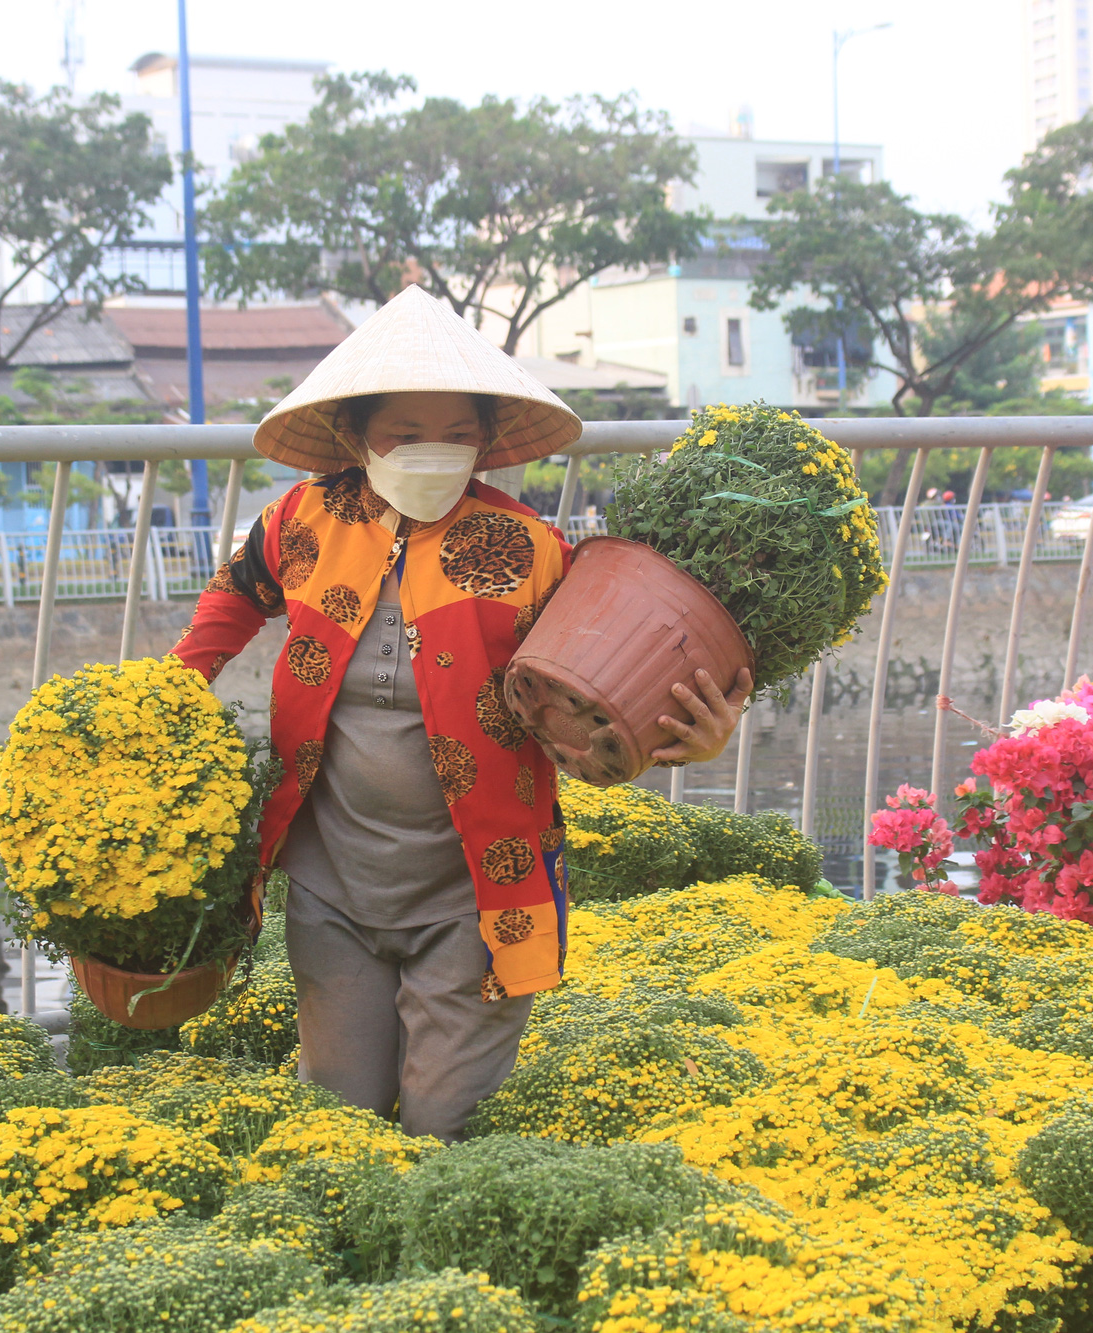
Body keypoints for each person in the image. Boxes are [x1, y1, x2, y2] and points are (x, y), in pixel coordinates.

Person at [171, 287, 750, 1140]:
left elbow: (603, 710)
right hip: (333, 881)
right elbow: (233, 598)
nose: (432, 452)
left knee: (448, 1120)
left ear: (485, 440)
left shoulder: (536, 553)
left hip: (476, 891)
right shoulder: (302, 520)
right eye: (406, 433)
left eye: (457, 434)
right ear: (358, 435)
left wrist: (686, 744)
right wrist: (163, 699)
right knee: (339, 1112)